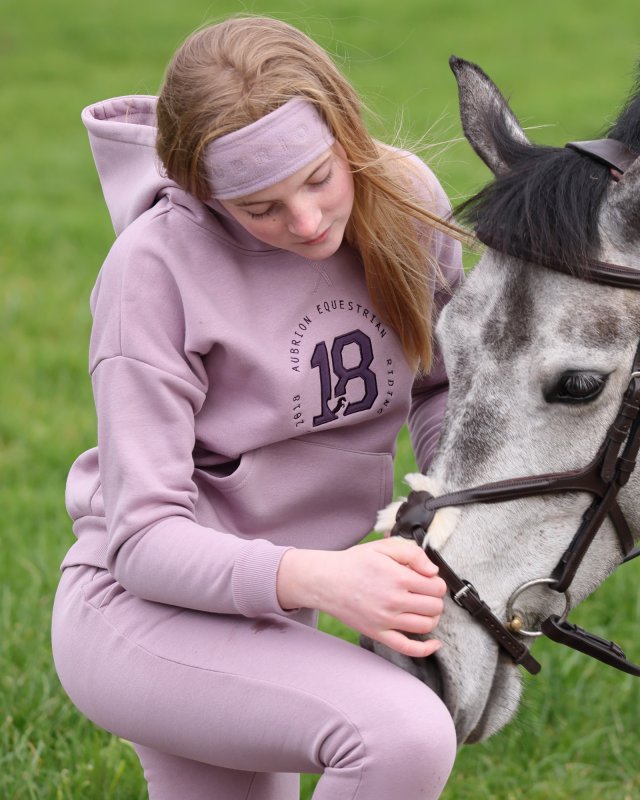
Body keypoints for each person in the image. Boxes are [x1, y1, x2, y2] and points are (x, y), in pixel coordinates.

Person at [51, 15, 465, 800]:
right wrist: (326, 579)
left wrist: (464, 520)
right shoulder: (153, 269)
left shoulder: (404, 204)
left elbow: (443, 384)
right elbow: (143, 540)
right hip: (145, 615)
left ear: (345, 135)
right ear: (203, 193)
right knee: (400, 735)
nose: (305, 222)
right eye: (260, 207)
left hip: (271, 616)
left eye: (318, 179)